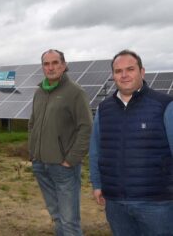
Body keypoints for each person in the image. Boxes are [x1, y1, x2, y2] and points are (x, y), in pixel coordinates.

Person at [89, 49, 173, 236]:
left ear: (142, 72)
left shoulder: (165, 105)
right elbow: (95, 150)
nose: (124, 75)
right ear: (113, 75)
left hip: (156, 204)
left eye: (130, 69)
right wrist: (97, 184)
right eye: (118, 71)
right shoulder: (104, 109)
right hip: (116, 203)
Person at [29, 49, 93, 235]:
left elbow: (86, 128)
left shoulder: (75, 92)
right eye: (46, 64)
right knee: (57, 216)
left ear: (64, 65)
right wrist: (33, 153)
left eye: (55, 63)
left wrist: (71, 160)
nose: (51, 67)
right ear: (42, 67)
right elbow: (32, 123)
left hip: (63, 167)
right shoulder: (39, 92)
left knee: (69, 220)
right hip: (40, 164)